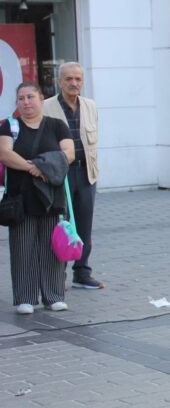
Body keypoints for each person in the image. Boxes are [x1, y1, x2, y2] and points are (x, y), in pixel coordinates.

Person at [0, 82, 75, 314]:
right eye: (21, 98)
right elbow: (4, 153)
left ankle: (54, 296)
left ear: (41, 99)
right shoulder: (9, 126)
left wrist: (41, 167)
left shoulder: (56, 125)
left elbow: (69, 153)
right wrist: (33, 168)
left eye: (30, 97)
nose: (26, 102)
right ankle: (26, 298)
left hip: (52, 197)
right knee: (22, 248)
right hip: (20, 198)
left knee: (52, 247)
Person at [43, 62, 102, 289]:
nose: (73, 83)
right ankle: (57, 275)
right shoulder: (46, 107)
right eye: (68, 79)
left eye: (78, 79)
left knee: (84, 224)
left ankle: (82, 271)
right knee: (61, 225)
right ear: (59, 82)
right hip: (60, 175)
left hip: (86, 173)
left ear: (83, 82)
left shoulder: (90, 106)